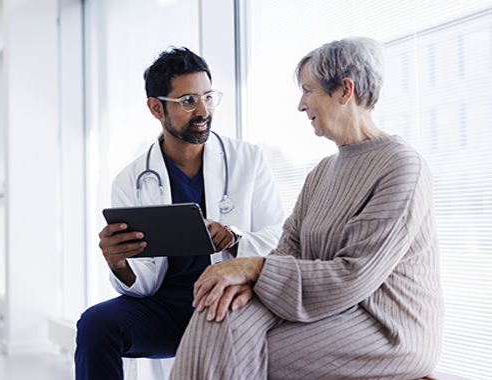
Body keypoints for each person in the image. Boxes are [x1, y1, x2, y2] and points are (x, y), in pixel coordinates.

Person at [168, 37, 444, 380]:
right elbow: (288, 249)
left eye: (308, 90)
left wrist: (254, 269)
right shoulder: (323, 172)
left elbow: (352, 275)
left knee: (242, 350)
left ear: (345, 90)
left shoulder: (402, 168)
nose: (301, 104)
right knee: (217, 312)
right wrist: (247, 280)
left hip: (385, 327)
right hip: (326, 310)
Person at [74, 47, 285, 380]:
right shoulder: (131, 181)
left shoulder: (249, 160)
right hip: (166, 307)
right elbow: (142, 284)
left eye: (208, 97)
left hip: (229, 298)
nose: (203, 110)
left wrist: (235, 237)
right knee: (95, 325)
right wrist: (118, 264)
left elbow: (280, 239)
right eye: (188, 100)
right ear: (157, 108)